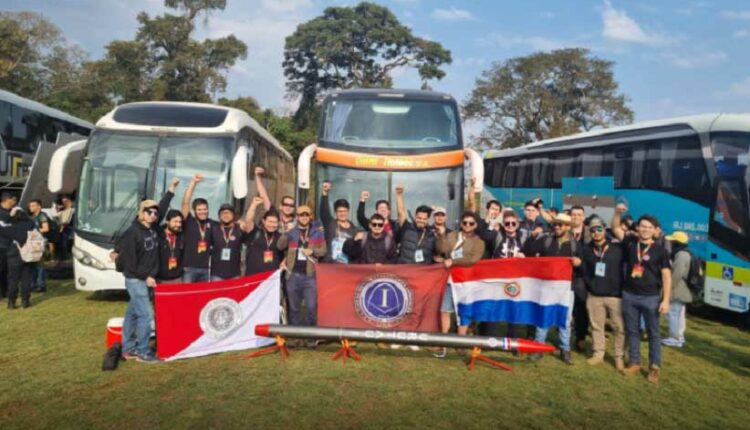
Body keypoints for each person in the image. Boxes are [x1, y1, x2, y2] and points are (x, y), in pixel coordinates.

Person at [611, 205, 671, 384]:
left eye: (649, 227)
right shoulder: (631, 243)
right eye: (642, 226)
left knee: (653, 333)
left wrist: (666, 299)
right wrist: (617, 213)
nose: (645, 230)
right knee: (633, 331)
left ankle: (654, 367)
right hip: (629, 295)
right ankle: (635, 362)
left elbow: (666, 276)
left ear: (655, 230)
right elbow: (615, 228)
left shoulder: (661, 250)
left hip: (651, 297)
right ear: (638, 228)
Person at [528, 213, 581, 365]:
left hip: (566, 288)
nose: (557, 227)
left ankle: (565, 349)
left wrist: (579, 262)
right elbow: (529, 250)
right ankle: (538, 347)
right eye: (555, 224)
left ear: (568, 226)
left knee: (565, 319)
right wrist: (533, 237)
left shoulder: (575, 244)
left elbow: (584, 265)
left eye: (560, 224)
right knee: (543, 315)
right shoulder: (547, 240)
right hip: (546, 286)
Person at [118, 199, 161, 363]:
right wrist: (146, 277)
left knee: (133, 313)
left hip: (147, 278)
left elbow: (162, 207)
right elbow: (129, 262)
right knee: (146, 314)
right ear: (141, 213)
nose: (153, 215)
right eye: (149, 212)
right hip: (137, 279)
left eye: (155, 213)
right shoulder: (132, 232)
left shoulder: (151, 229)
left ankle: (128, 348)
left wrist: (171, 190)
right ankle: (143, 351)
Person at [581, 217, 625, 370]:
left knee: (619, 328)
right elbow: (584, 270)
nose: (596, 233)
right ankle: (598, 354)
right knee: (596, 327)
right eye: (593, 230)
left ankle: (619, 357)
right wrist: (591, 285)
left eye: (599, 229)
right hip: (594, 295)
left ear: (605, 230)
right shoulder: (586, 249)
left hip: (615, 295)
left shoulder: (617, 247)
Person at [436, 211, 486, 346]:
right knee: (445, 309)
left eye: (471, 223)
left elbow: (472, 259)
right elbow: (442, 249)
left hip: (465, 281)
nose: (467, 225)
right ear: (461, 223)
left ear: (475, 225)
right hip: (448, 279)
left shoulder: (479, 242)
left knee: (464, 310)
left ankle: (461, 341)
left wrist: (453, 261)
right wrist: (441, 236)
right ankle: (443, 340)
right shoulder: (451, 235)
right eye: (465, 222)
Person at [277, 205, 326, 340]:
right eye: (301, 215)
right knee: (294, 309)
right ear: (297, 217)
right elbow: (280, 246)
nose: (304, 217)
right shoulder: (292, 232)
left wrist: (313, 251)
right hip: (292, 275)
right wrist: (286, 232)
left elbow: (323, 251)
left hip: (310, 276)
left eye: (306, 214)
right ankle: (294, 336)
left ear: (310, 216)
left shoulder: (318, 232)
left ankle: (311, 337)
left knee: (311, 307)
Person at [180, 174, 215, 283]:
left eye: (205, 209)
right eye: (199, 209)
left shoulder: (212, 223)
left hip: (205, 269)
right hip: (189, 268)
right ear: (194, 211)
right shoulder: (189, 221)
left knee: (201, 298)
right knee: (187, 296)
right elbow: (185, 202)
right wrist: (193, 182)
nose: (202, 211)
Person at [2, 208, 36, 309]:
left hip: (14, 254)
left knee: (13, 279)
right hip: (28, 254)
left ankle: (11, 302)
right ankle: (25, 301)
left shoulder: (11, 227)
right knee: (26, 278)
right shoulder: (30, 224)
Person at [663, 231, 692, 348]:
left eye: (672, 242)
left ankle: (674, 338)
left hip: (678, 289)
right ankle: (678, 337)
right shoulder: (684, 253)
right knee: (678, 313)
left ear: (677, 243)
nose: (670, 244)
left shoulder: (681, 255)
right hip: (680, 288)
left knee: (673, 313)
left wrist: (668, 287)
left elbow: (677, 273)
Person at [394, 185, 436, 265]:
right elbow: (400, 213)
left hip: (421, 273)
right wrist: (399, 195)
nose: (421, 221)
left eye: (424, 219)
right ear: (415, 216)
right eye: (419, 218)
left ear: (428, 219)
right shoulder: (407, 227)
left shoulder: (432, 234)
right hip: (404, 270)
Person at [319, 181, 358, 263]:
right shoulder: (330, 224)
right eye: (339, 211)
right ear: (335, 212)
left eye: (344, 211)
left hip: (346, 266)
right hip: (331, 265)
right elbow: (324, 212)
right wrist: (325, 193)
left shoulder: (354, 229)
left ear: (348, 211)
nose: (342, 213)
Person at [243, 197, 283, 276]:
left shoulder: (280, 237)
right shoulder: (255, 232)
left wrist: (284, 262)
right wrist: (253, 205)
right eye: (270, 221)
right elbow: (248, 221)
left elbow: (287, 252)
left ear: (278, 223)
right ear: (263, 221)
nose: (272, 225)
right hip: (252, 277)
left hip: (271, 280)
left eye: (275, 222)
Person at [208, 204, 248, 281]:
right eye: (223, 213)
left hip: (234, 274)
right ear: (219, 216)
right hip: (216, 274)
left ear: (233, 215)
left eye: (228, 213)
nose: (226, 215)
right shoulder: (214, 229)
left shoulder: (239, 229)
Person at [569, 205, 590, 353]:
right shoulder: (565, 231)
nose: (576, 217)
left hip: (582, 276)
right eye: (574, 215)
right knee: (566, 307)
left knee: (582, 307)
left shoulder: (590, 233)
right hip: (566, 275)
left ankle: (580, 337)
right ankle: (563, 338)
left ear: (584, 217)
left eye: (579, 215)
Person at [27, 199, 50, 293]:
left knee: (39, 265)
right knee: (33, 264)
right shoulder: (32, 216)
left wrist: (34, 232)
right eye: (30, 206)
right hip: (33, 242)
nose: (31, 207)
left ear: (39, 206)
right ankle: (34, 284)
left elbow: (46, 228)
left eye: (33, 205)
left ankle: (41, 285)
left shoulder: (42, 216)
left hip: (40, 242)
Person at [156, 210, 185, 284]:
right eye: (175, 221)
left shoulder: (181, 236)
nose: (178, 225)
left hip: (177, 278)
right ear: (167, 221)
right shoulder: (158, 236)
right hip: (160, 279)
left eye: (180, 222)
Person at [0, 193, 16, 298]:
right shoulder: (3, 213)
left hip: (10, 246)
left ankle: (6, 291)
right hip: (1, 246)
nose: (14, 203)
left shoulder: (12, 212)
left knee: (8, 270)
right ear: (6, 200)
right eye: (12, 200)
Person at [56, 194, 75, 261]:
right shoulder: (62, 210)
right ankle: (62, 256)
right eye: (63, 201)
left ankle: (64, 257)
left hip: (67, 228)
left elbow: (68, 221)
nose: (64, 203)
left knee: (64, 243)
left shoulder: (72, 210)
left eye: (66, 201)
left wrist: (63, 224)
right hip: (61, 228)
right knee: (61, 243)